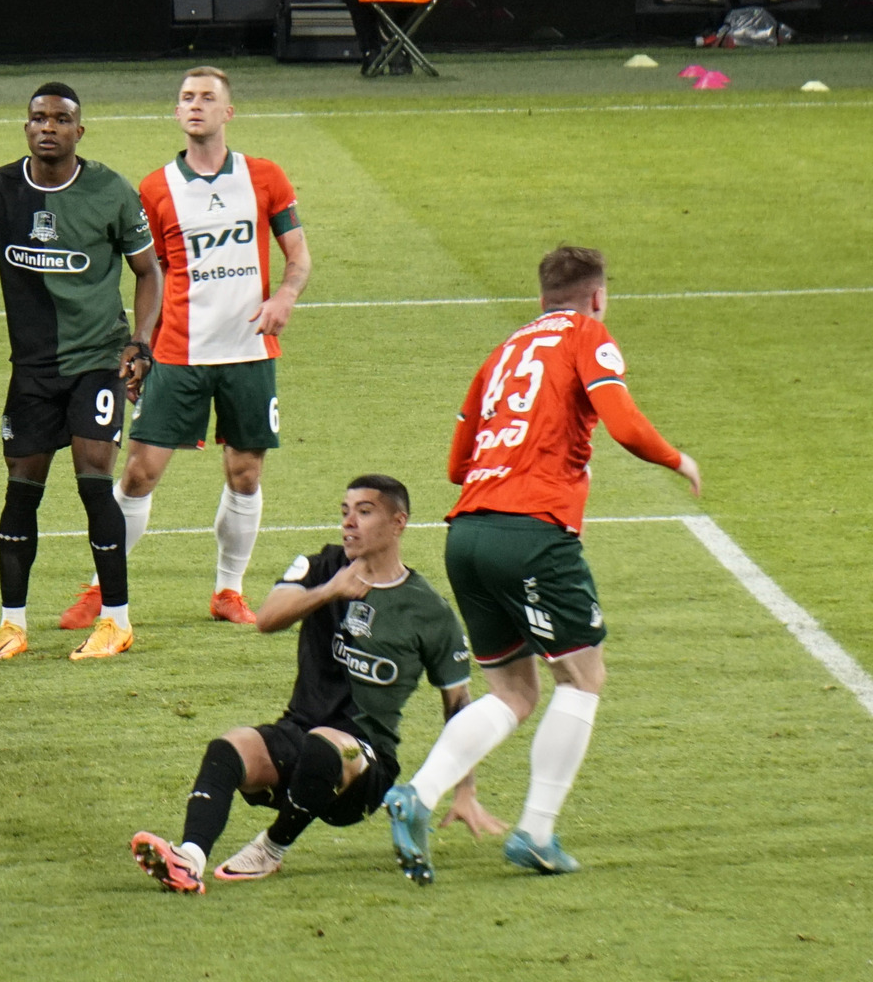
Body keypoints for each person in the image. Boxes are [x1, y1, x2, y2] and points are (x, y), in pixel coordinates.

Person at [382, 246, 702, 884]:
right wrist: (675, 458)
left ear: (540, 298)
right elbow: (623, 422)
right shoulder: (588, 334)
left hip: (467, 532)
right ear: (598, 296)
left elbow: (456, 466)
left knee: (513, 690)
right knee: (582, 678)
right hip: (533, 532)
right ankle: (536, 832)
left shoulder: (500, 354)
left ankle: (417, 793)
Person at [130, 475, 497, 894]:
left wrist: (465, 789)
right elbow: (267, 619)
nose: (349, 523)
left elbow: (459, 705)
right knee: (227, 748)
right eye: (345, 512)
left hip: (365, 766)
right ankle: (189, 858)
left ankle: (271, 847)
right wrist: (328, 592)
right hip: (298, 733)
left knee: (325, 743)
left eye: (364, 512)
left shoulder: (428, 610)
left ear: (398, 523)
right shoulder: (321, 567)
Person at [0, 85, 161, 661]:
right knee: (22, 488)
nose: (48, 127)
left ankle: (116, 620)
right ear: (26, 128)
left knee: (94, 477)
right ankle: (12, 625)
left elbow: (149, 272)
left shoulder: (110, 190)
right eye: (38, 118)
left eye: (61, 119)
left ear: (79, 131)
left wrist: (140, 342)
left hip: (97, 360)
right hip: (31, 370)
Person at [101, 68, 310, 632]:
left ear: (228, 113)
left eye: (207, 98)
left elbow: (298, 257)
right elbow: (151, 275)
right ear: (176, 113)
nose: (195, 106)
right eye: (186, 98)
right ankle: (103, 591)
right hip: (178, 353)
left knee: (245, 474)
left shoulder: (265, 178)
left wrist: (285, 297)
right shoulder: (153, 189)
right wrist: (141, 345)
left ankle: (228, 591)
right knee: (140, 473)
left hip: (249, 352)